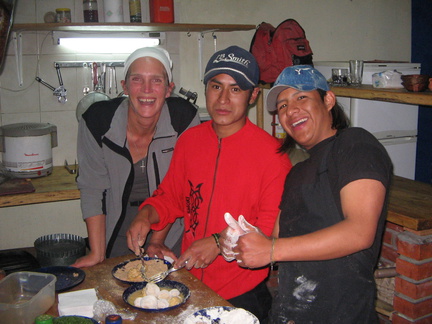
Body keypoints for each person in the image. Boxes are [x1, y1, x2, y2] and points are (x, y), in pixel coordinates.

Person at [127, 46, 292, 321]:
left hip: (240, 293)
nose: (223, 98)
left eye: (236, 89)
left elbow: (267, 231)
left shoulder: (273, 156)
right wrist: (146, 214)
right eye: (216, 86)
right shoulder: (190, 141)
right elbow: (172, 196)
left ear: (253, 95)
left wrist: (218, 242)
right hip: (189, 284)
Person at [226, 65, 393, 323]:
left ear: (328, 100)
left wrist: (271, 250)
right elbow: (277, 241)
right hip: (288, 314)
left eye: (301, 97)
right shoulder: (296, 174)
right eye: (282, 106)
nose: (290, 110)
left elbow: (360, 232)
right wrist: (246, 240)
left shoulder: (355, 144)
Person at [72, 47, 200, 268]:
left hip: (169, 228)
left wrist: (157, 240)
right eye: (137, 79)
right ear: (125, 86)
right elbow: (92, 188)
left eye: (156, 81)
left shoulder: (183, 119)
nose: (147, 89)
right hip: (117, 225)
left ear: (169, 89)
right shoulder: (97, 121)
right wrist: (97, 253)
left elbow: (180, 188)